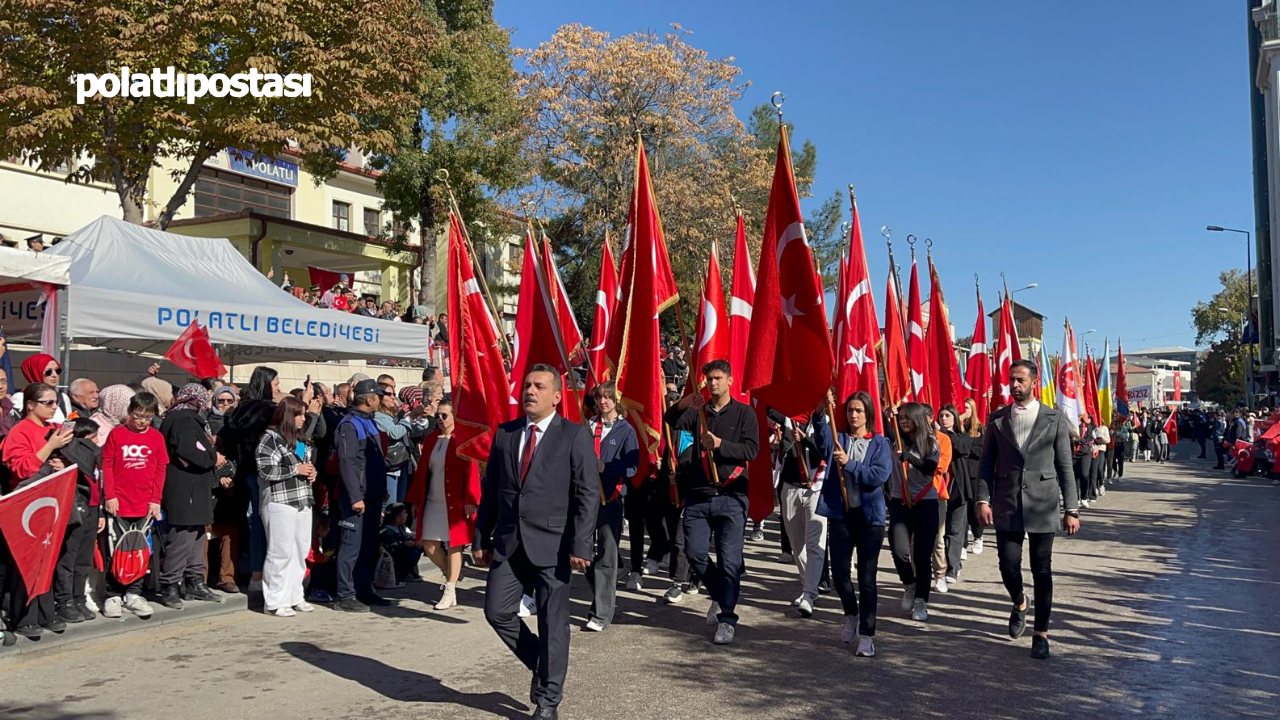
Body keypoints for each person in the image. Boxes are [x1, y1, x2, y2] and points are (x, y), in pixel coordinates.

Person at [474, 364, 599, 720]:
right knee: (497, 611)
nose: (530, 391)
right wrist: (482, 536)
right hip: (511, 541)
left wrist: (581, 545)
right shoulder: (506, 433)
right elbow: (492, 492)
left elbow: (588, 494)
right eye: (527, 385)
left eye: (539, 386)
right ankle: (542, 664)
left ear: (557, 396)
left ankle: (548, 701)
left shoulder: (573, 435)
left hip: (555, 544)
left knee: (552, 622)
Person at [978, 358, 1081, 660]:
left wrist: (1071, 508)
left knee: (1042, 569)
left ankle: (1041, 634)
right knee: (1008, 566)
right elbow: (985, 463)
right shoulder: (997, 419)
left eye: (1020, 379)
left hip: (1043, 503)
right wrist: (982, 500)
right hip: (1007, 502)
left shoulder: (1053, 418)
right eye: (1011, 379)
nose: (1014, 385)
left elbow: (1065, 466)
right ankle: (1019, 601)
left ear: (1034, 382)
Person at [666, 359, 760, 645]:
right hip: (699, 495)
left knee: (730, 561)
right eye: (709, 379)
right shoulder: (699, 412)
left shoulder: (745, 413)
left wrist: (720, 445)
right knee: (694, 553)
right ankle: (721, 594)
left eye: (719, 378)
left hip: (732, 496)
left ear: (730, 380)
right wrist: (685, 403)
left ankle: (727, 618)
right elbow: (670, 420)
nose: (713, 383)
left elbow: (752, 450)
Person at [1, 382, 77, 636]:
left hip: (50, 501)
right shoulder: (20, 431)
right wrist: (50, 447)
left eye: (55, 402)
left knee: (49, 559)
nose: (54, 407)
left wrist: (60, 462)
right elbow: (20, 469)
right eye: (48, 403)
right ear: (31, 405)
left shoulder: (53, 429)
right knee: (26, 562)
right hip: (26, 504)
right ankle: (22, 617)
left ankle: (46, 613)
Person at [820, 390, 891, 657]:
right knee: (839, 574)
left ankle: (867, 634)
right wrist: (820, 412)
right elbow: (821, 441)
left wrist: (850, 465)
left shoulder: (880, 444)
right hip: (841, 514)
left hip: (869, 518)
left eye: (859, 410)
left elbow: (877, 476)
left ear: (868, 414)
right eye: (850, 410)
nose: (853, 415)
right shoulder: (838, 439)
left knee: (867, 578)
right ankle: (851, 612)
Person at [405, 401, 480, 611]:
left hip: (455, 501)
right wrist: (414, 499)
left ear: (455, 417)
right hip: (432, 499)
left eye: (445, 416)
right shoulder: (430, 440)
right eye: (438, 416)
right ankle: (451, 573)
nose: (440, 419)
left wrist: (471, 500)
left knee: (454, 544)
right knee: (429, 545)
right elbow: (421, 472)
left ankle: (450, 588)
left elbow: (471, 471)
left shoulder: (462, 439)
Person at [101, 392, 169, 620]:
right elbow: (107, 466)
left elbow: (161, 469)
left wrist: (155, 499)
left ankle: (134, 593)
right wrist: (110, 496)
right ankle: (112, 594)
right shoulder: (116, 434)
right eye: (138, 415)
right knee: (116, 549)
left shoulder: (157, 438)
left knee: (140, 550)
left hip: (145, 503)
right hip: (119, 502)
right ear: (129, 412)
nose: (142, 421)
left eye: (148, 418)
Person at [887, 402, 951, 623]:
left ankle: (922, 600)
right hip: (899, 501)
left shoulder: (931, 441)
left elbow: (930, 467)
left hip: (926, 502)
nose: (904, 421)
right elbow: (888, 428)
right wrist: (890, 416)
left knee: (922, 556)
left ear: (917, 419)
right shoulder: (894, 437)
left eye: (908, 417)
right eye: (901, 417)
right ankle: (909, 585)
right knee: (898, 550)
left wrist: (909, 457)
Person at [771, 395, 834, 618]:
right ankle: (809, 585)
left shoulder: (827, 422)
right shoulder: (789, 417)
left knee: (815, 543)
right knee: (797, 545)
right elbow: (768, 405)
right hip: (791, 486)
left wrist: (806, 439)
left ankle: (808, 593)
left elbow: (826, 450)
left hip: (816, 488)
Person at [583, 382, 639, 632]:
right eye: (599, 398)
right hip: (586, 499)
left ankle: (601, 613)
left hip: (611, 498)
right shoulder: (587, 427)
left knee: (607, 555)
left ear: (616, 400)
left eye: (607, 397)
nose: (602, 402)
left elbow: (632, 467)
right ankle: (604, 589)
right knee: (580, 554)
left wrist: (607, 468)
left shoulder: (626, 430)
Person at [255, 396, 318, 617]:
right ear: (287, 416)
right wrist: (296, 470)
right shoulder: (270, 438)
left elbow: (305, 465)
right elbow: (265, 471)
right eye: (298, 414)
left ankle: (295, 595)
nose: (303, 419)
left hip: (303, 500)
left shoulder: (300, 440)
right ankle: (274, 600)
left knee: (300, 550)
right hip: (279, 501)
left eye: (304, 414)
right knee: (279, 551)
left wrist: (311, 471)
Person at [219, 367, 280, 592]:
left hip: (244, 473)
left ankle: (254, 573)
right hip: (264, 473)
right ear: (265, 384)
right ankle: (261, 574)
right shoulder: (269, 409)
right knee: (265, 525)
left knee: (254, 523)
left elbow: (226, 437)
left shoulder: (239, 408)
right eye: (275, 384)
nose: (278, 389)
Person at [333, 379, 389, 613]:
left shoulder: (369, 422)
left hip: (373, 496)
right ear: (369, 399)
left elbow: (374, 461)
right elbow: (347, 463)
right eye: (378, 396)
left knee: (368, 545)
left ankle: (364, 589)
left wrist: (381, 489)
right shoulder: (349, 424)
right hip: (357, 498)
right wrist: (355, 497)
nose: (381, 400)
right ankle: (345, 594)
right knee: (350, 546)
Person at [937, 404, 977, 588]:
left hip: (957, 490)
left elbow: (962, 448)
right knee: (940, 533)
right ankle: (946, 564)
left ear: (954, 418)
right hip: (938, 490)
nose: (943, 418)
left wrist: (944, 434)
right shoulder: (934, 438)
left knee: (955, 531)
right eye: (941, 415)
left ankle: (952, 569)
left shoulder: (961, 437)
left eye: (947, 415)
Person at [12, 354, 73, 423]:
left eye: (57, 371)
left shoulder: (63, 398)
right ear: (35, 372)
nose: (54, 375)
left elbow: (69, 423)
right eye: (48, 372)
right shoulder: (21, 397)